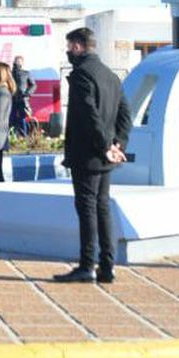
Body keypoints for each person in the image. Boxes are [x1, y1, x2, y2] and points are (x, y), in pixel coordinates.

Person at [54, 27, 131, 284]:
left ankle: (87, 265)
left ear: (77, 46)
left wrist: (104, 146)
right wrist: (117, 144)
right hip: (105, 156)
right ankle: (107, 266)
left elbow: (89, 116)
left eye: (69, 47)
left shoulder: (81, 75)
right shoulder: (110, 76)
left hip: (88, 154)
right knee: (102, 208)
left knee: (87, 209)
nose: (68, 52)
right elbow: (125, 115)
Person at [10, 55, 37, 137]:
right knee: (11, 118)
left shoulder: (26, 73)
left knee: (22, 118)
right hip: (12, 99)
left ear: (22, 63)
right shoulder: (10, 74)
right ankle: (11, 136)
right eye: (16, 61)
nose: (17, 62)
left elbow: (33, 85)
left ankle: (24, 136)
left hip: (23, 99)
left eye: (19, 61)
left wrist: (27, 93)